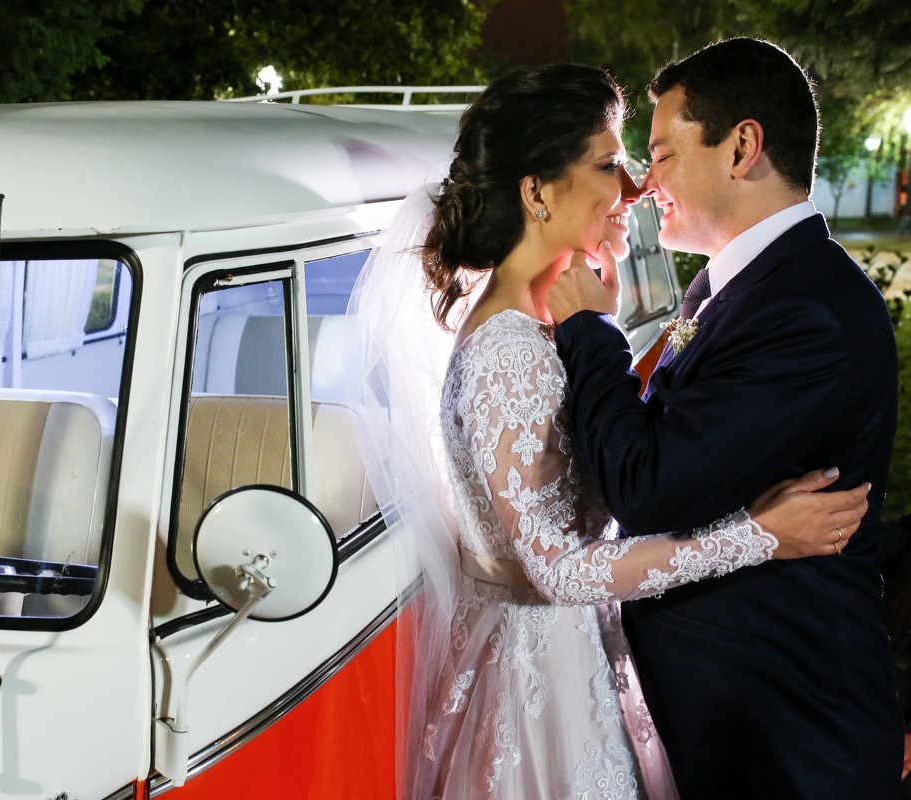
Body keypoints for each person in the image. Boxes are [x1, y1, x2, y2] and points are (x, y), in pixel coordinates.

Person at [349, 64, 871, 800]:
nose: (632, 188)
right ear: (536, 192)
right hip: (543, 681)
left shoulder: (544, 329)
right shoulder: (509, 353)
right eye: (608, 164)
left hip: (585, 654)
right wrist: (763, 534)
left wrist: (599, 325)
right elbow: (560, 570)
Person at [546, 38, 902, 798]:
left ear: (742, 147)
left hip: (789, 735)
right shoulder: (742, 286)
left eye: (663, 154)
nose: (646, 183)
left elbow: (648, 486)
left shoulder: (806, 310)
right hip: (734, 718)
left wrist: (589, 330)